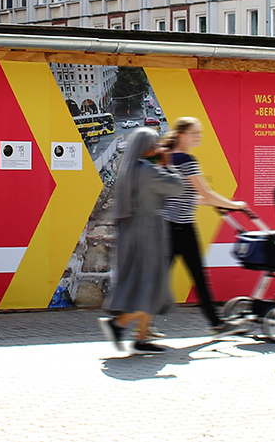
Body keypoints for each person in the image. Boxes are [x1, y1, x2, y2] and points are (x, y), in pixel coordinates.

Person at [99, 128, 186, 355]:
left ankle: (142, 337)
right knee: (152, 283)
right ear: (147, 147)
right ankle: (119, 324)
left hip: (132, 230)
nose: (158, 148)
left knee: (144, 282)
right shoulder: (148, 171)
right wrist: (168, 164)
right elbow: (177, 186)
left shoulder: (131, 170)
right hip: (149, 231)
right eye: (155, 144)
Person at [160, 117, 249, 335]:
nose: (198, 136)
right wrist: (236, 205)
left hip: (165, 226)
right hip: (182, 227)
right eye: (194, 133)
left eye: (199, 133)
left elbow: (187, 197)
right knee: (198, 277)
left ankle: (132, 323)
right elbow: (206, 193)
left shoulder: (167, 158)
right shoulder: (186, 160)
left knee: (157, 278)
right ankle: (217, 324)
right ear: (181, 135)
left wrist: (218, 204)